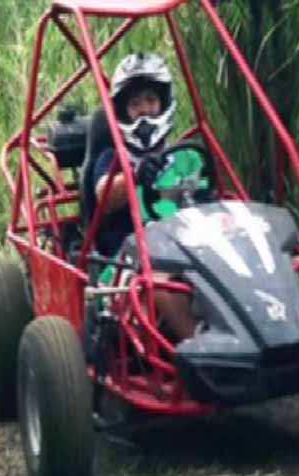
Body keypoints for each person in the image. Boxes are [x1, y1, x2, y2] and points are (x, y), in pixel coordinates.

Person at [88, 52, 206, 341]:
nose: (145, 111)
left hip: (185, 248)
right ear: (123, 111)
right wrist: (136, 175)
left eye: (151, 101)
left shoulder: (186, 156)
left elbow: (207, 198)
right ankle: (199, 347)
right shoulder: (113, 157)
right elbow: (103, 192)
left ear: (163, 104)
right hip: (126, 262)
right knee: (162, 283)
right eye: (135, 104)